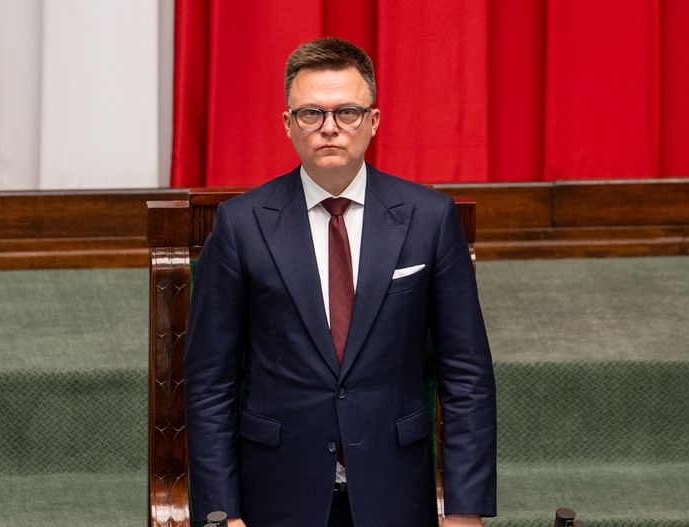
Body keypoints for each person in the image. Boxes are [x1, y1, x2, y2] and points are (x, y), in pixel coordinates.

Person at [185, 37, 496, 527]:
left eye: (347, 112)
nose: (329, 128)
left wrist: (464, 508)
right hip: (276, 495)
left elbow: (467, 373)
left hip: (395, 492)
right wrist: (222, 514)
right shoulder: (241, 225)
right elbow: (209, 383)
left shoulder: (429, 218)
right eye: (311, 114)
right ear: (288, 125)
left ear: (373, 121)